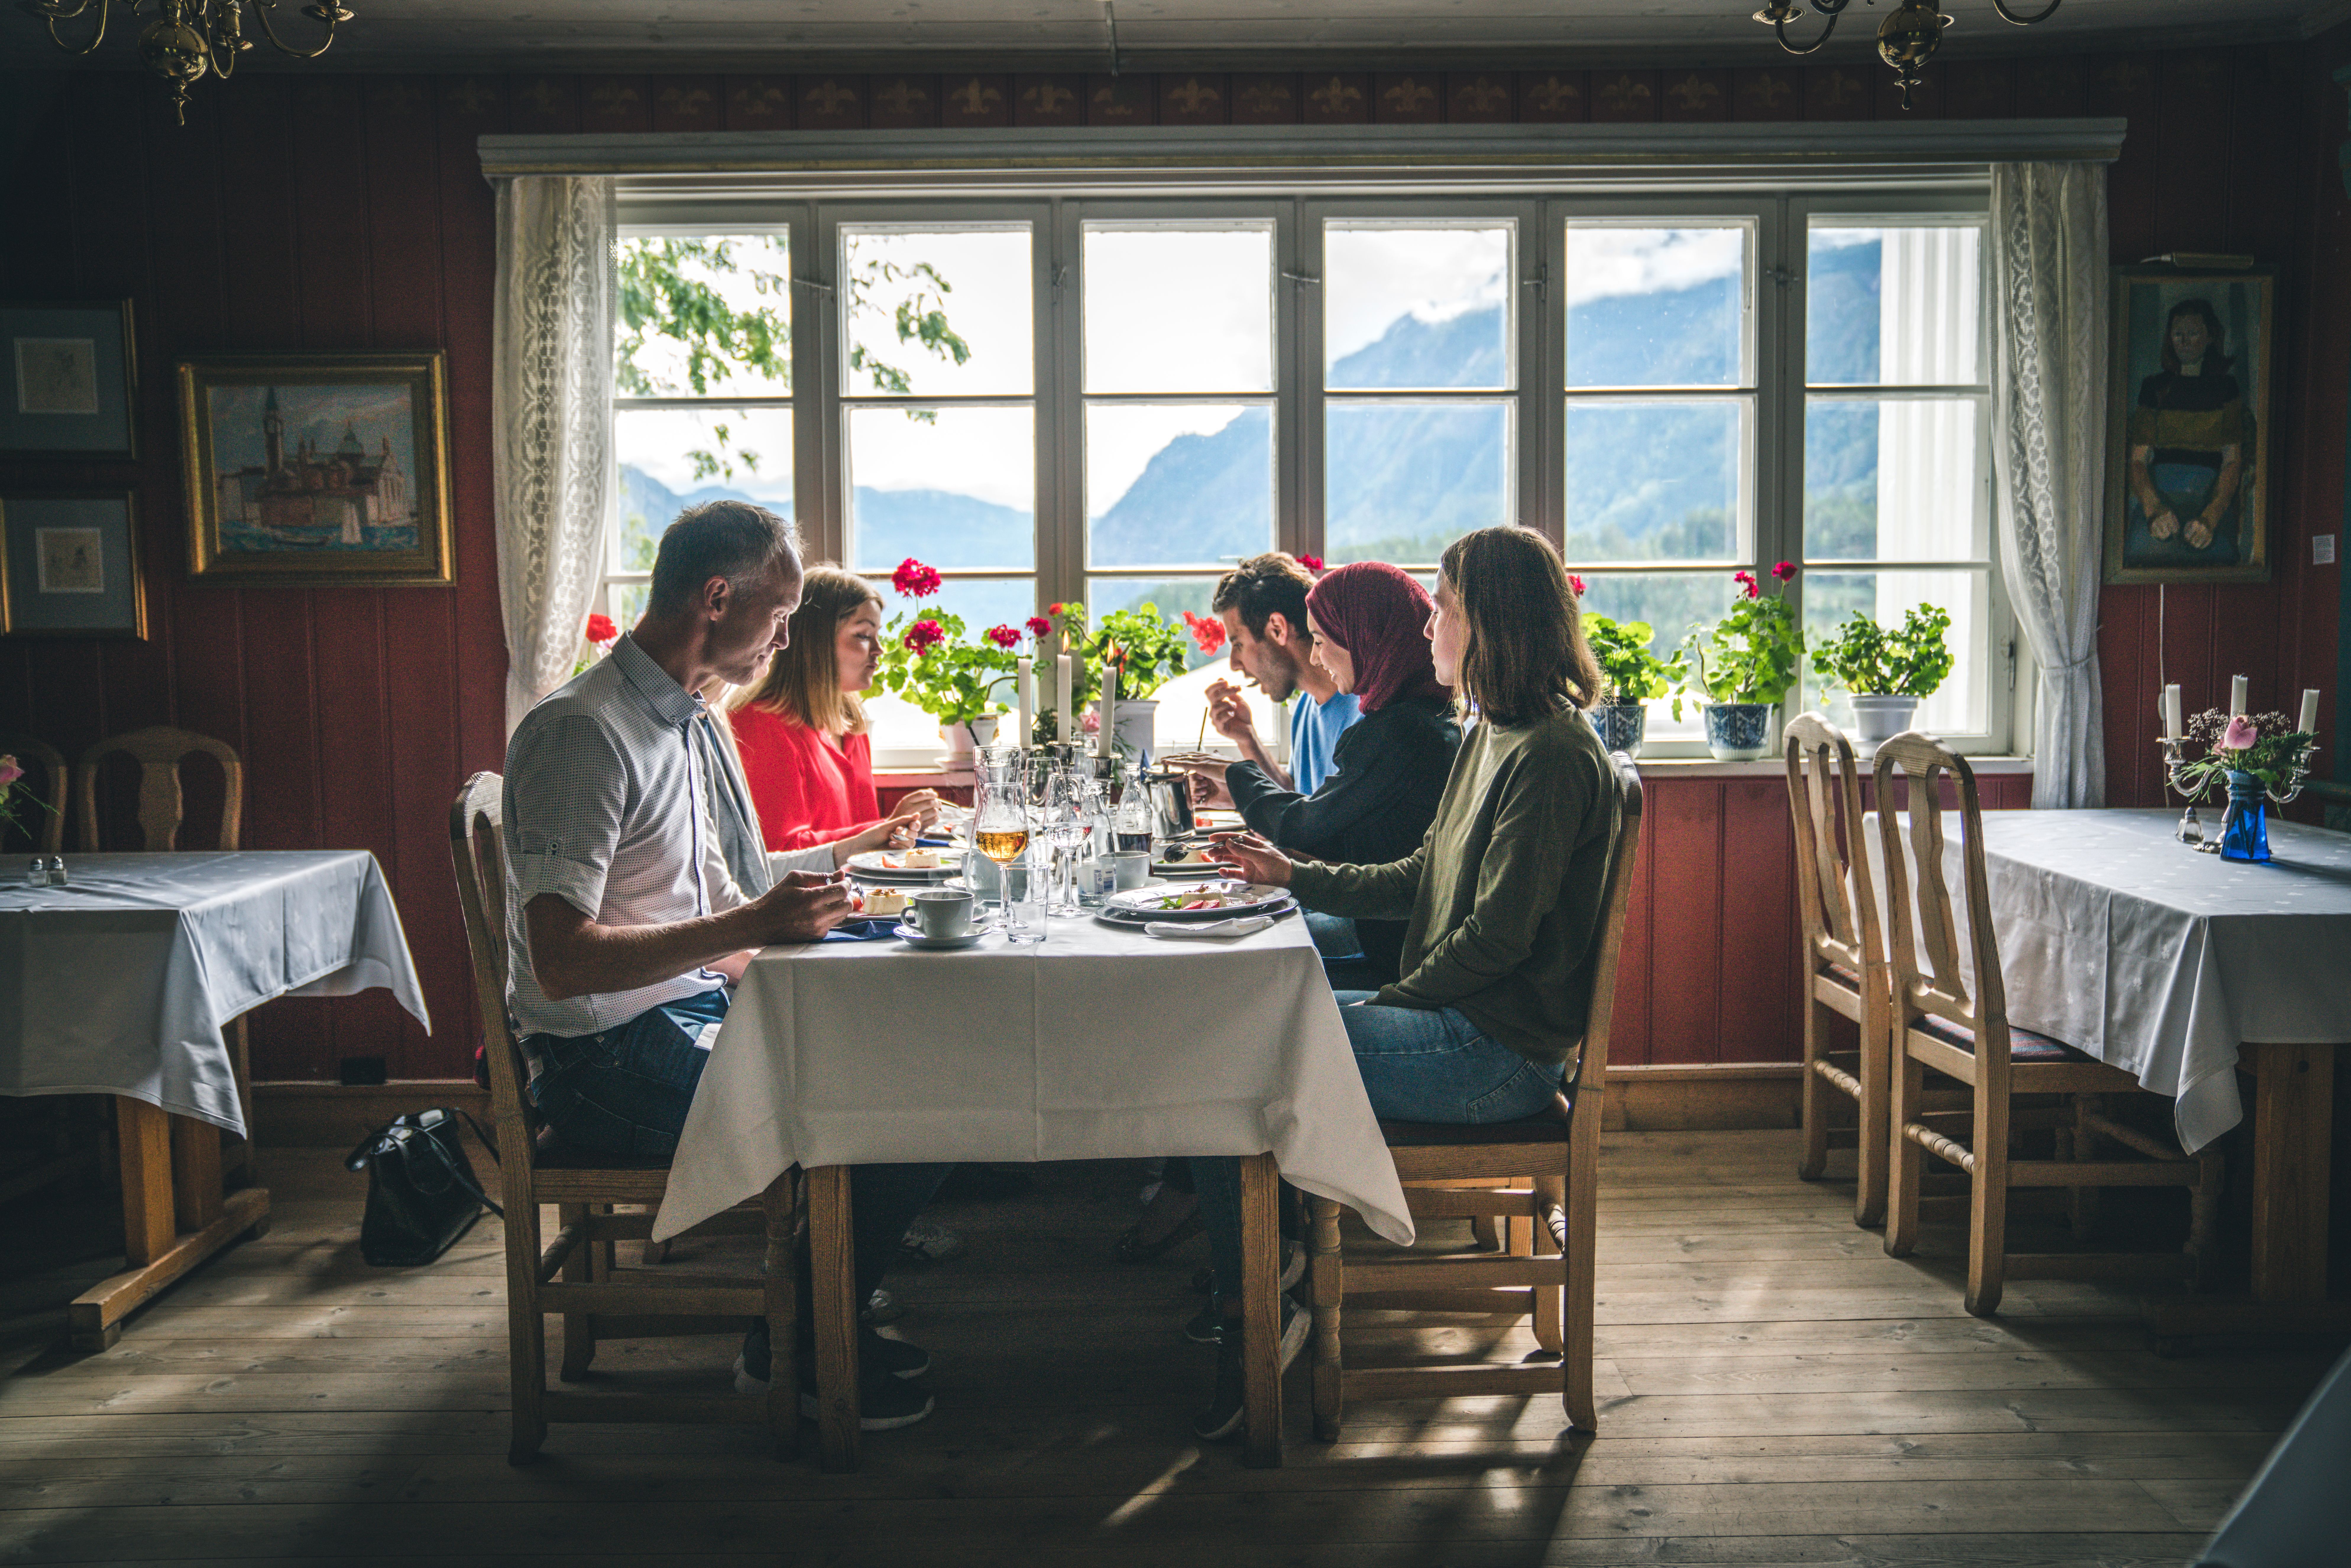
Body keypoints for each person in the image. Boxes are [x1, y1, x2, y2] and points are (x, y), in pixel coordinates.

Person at [501, 499, 945, 1431]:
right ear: (716, 597)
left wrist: (854, 856)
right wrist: (750, 923)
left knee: (920, 1076)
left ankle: (824, 1308)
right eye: (780, 615)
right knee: (883, 1113)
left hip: (687, 1013)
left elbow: (740, 884)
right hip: (602, 1059)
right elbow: (557, 960)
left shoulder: (694, 718)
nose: (787, 640)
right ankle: (801, 1352)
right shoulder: (583, 730)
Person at [1183, 525, 1624, 1442]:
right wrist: (1294, 877)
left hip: (1494, 1051)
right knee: (1256, 1023)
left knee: (1238, 1049)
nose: (1428, 630)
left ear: (1490, 622)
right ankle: (1269, 1283)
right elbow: (1421, 873)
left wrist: (1384, 1007)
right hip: (1462, 1020)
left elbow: (1495, 941)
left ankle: (1257, 1314)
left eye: (1446, 610)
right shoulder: (1492, 730)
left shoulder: (1548, 753)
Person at [1177, 560, 1461, 990]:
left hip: (1392, 955)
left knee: (1230, 971)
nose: (1314, 654)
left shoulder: (1398, 732)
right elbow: (1326, 821)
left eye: (1323, 640)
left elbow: (1308, 828)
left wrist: (1240, 778)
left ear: (1364, 638)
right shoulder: (1419, 721)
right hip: (1390, 940)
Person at [728, 566, 943, 856]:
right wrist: (886, 828)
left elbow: (862, 848)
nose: (879, 649)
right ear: (817, 641)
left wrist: (900, 831)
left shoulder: (851, 726)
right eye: (864, 635)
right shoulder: (759, 725)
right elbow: (779, 853)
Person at [1196, 553, 1359, 798]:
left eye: (1238, 644)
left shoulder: (1363, 715)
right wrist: (1247, 738)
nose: (1234, 664)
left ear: (1277, 629)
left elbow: (1323, 823)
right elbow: (1296, 798)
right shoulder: (1306, 705)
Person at [2125, 297, 2252, 567]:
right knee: (2138, 554)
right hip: (2159, 497)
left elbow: (2232, 462)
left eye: (2193, 333)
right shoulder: (2154, 388)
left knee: (2219, 559)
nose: (2184, 341)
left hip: (2210, 498)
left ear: (2209, 337)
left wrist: (2211, 517)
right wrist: (2153, 509)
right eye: (2177, 334)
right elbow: (2138, 461)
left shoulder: (2226, 389)